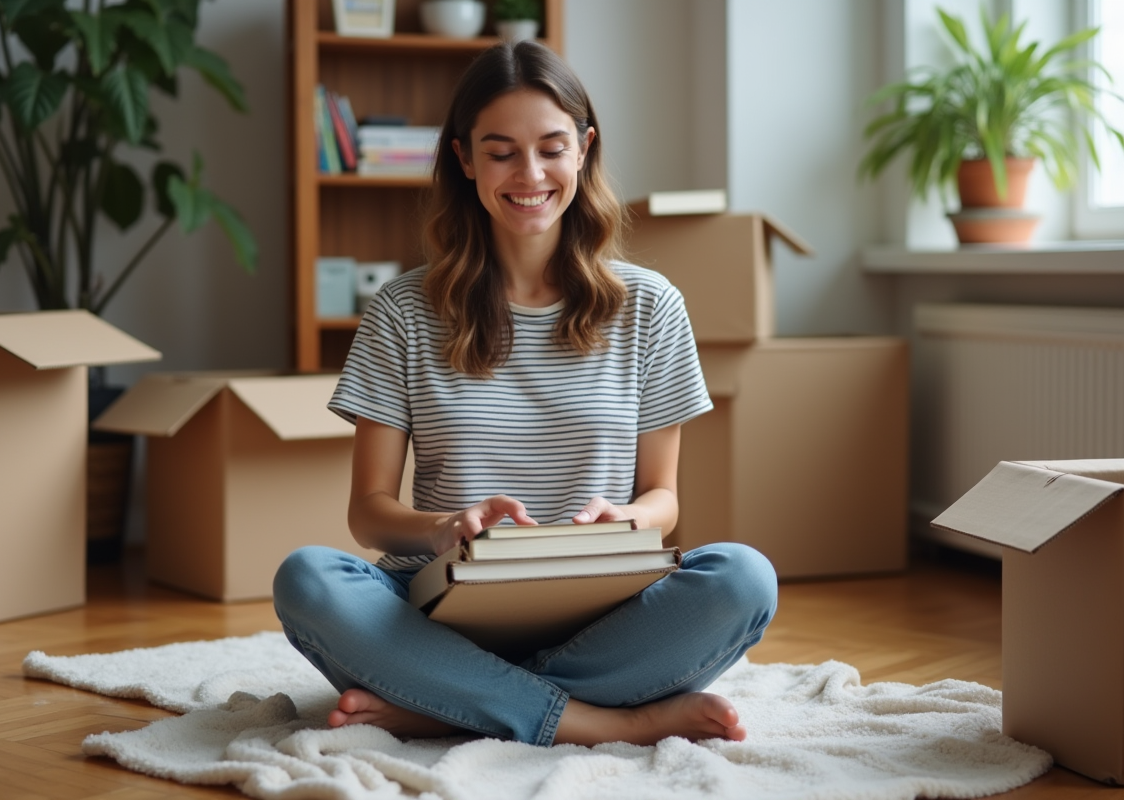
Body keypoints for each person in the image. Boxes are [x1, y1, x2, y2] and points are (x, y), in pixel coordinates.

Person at [272, 40, 778, 749]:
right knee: (308, 578)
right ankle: (603, 720)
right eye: (501, 152)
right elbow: (369, 512)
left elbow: (664, 498)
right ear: (464, 158)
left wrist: (629, 520)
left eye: (552, 148)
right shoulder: (403, 310)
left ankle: (445, 704)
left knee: (744, 578)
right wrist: (442, 528)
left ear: (585, 150)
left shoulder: (651, 306)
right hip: (437, 610)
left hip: (600, 612)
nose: (530, 174)